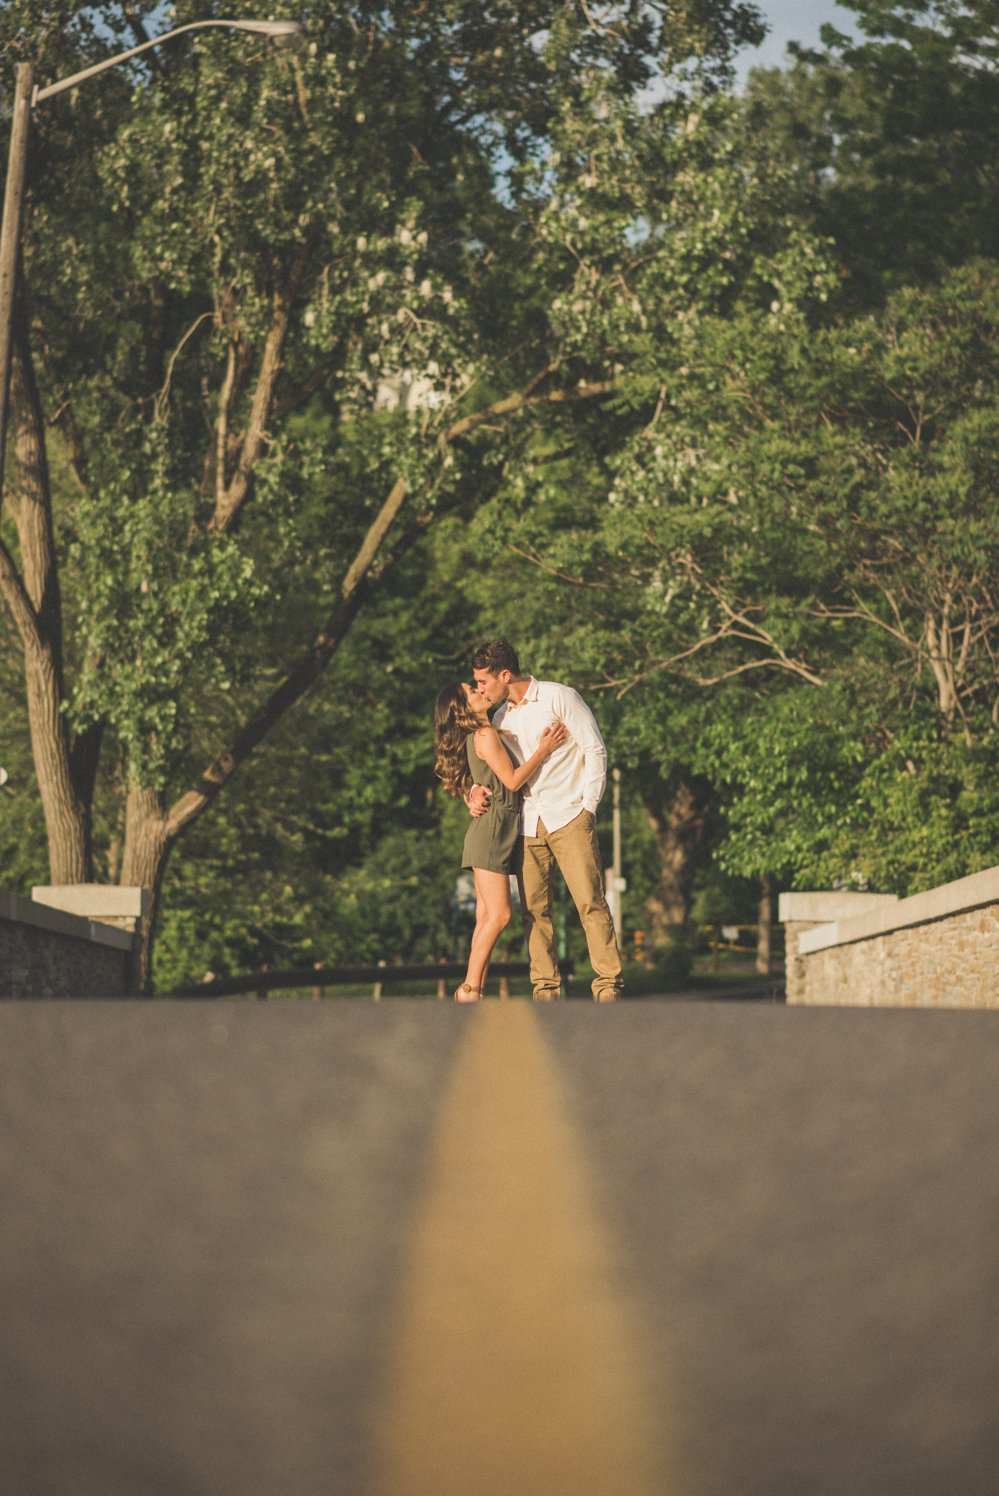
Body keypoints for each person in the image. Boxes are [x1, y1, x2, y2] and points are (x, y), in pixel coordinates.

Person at [468, 641, 623, 1002]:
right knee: (535, 914)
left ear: (504, 675)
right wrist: (471, 792)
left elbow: (595, 749)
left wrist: (589, 806)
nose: (480, 689)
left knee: (590, 902)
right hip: (525, 823)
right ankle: (546, 993)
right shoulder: (499, 718)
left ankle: (608, 989)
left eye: (483, 681)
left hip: (569, 815)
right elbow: (495, 773)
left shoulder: (559, 697)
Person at [434, 680, 567, 1002]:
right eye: (471, 691)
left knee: (486, 917)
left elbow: (486, 779)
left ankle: (473, 989)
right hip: (494, 828)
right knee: (500, 915)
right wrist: (543, 751)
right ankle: (469, 988)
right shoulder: (484, 734)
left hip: (496, 826)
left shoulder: (482, 733)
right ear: (462, 708)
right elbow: (512, 780)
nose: (480, 691)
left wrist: (471, 791)